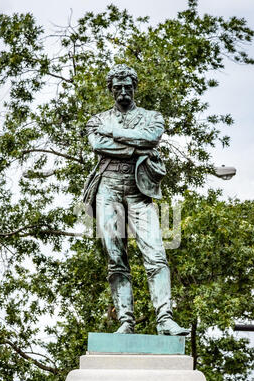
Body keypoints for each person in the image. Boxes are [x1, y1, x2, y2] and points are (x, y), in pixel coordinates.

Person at [84, 64, 189, 336]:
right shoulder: (97, 120)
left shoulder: (151, 117)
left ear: (134, 87)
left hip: (139, 191)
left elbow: (152, 138)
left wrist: (116, 135)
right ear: (110, 89)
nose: (122, 92)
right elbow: (98, 145)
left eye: (127, 87)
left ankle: (165, 319)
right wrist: (136, 146)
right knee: (115, 259)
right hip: (107, 189)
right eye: (117, 87)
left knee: (156, 254)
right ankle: (125, 322)